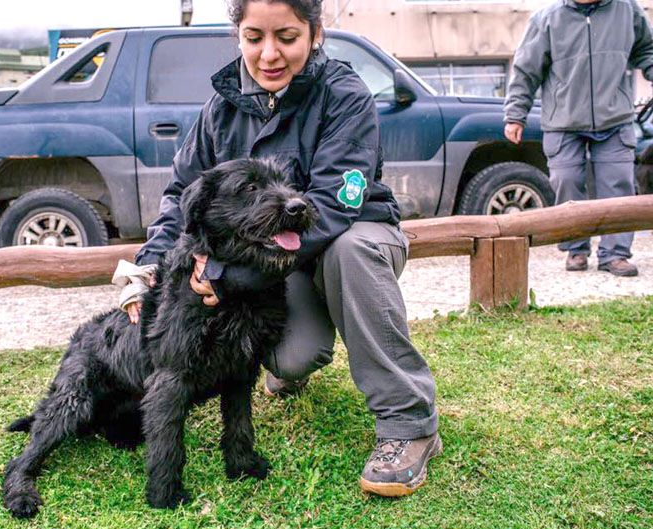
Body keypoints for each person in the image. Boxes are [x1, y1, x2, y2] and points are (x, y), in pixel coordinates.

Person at [119, 0, 440, 497]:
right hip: (272, 261)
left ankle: (408, 423)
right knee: (291, 358)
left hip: (352, 235)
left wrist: (231, 277)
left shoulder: (344, 95)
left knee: (349, 251)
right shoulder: (221, 108)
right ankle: (291, 365)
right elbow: (180, 196)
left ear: (314, 34)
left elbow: (336, 205)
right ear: (238, 37)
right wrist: (147, 270)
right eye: (254, 38)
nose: (268, 54)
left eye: (286, 37)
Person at [504, 0, 653, 277]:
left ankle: (615, 254)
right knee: (567, 182)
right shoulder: (547, 18)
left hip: (614, 117)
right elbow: (526, 70)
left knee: (617, 187)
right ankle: (576, 248)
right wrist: (515, 115)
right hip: (563, 121)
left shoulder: (627, 10)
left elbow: (647, 49)